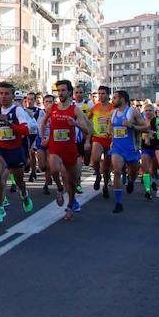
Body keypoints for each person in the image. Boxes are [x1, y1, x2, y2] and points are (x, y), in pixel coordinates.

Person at [0, 82, 34, 225]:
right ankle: (0, 207)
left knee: (19, 181)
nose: (4, 96)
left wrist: (10, 124)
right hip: (1, 149)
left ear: (13, 96)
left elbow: (26, 131)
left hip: (15, 150)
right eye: (1, 94)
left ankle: (24, 194)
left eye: (7, 94)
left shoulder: (18, 111)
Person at [43, 80, 93, 220]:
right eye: (59, 91)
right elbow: (44, 122)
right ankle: (59, 189)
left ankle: (70, 206)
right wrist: (44, 137)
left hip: (71, 147)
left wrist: (75, 123)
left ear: (69, 92)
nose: (61, 93)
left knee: (71, 181)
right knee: (53, 169)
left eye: (63, 90)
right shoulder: (52, 107)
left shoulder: (75, 109)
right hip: (55, 146)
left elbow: (87, 129)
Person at [108, 90, 149, 214]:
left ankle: (131, 181)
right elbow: (111, 126)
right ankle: (119, 203)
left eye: (115, 98)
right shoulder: (113, 112)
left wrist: (132, 126)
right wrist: (109, 131)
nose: (112, 100)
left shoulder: (132, 111)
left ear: (123, 99)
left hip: (131, 149)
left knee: (133, 172)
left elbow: (146, 127)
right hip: (117, 148)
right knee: (117, 171)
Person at [88, 85, 114, 197]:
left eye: (103, 93)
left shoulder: (114, 108)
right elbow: (86, 119)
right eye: (99, 93)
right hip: (97, 137)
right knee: (95, 159)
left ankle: (105, 185)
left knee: (107, 167)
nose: (100, 96)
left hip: (110, 139)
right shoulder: (95, 107)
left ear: (108, 95)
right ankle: (98, 175)